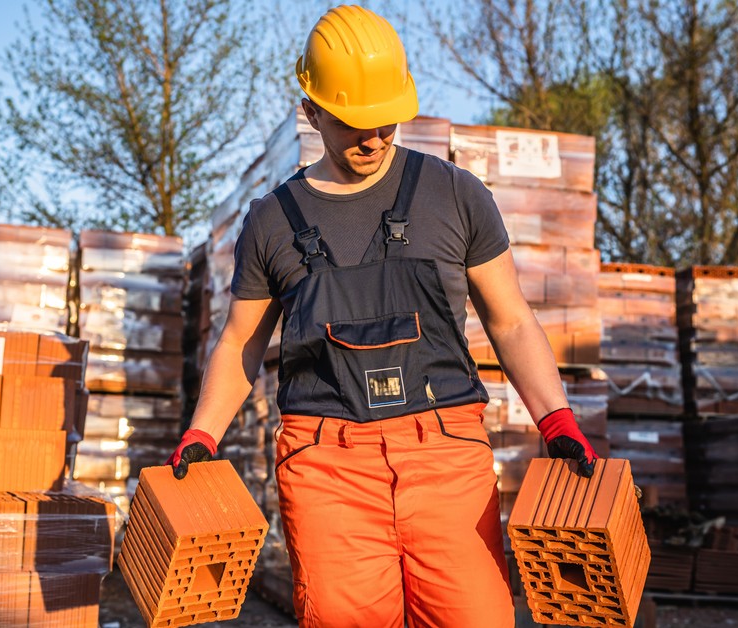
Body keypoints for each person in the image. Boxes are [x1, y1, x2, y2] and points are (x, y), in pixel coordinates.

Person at [167, 5, 598, 626]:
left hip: (447, 455)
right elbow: (241, 343)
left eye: (386, 119)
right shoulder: (270, 222)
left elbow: (510, 320)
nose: (373, 137)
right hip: (327, 467)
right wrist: (202, 434)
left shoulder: (457, 194)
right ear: (312, 111)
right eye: (353, 123)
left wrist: (556, 419)